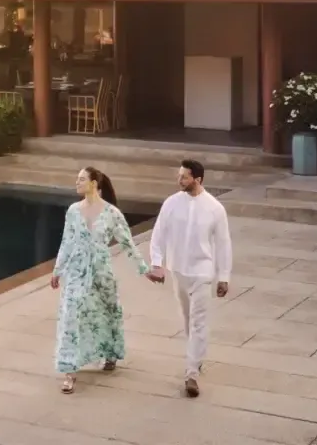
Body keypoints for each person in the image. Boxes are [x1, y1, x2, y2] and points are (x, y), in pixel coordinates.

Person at [51, 166, 148, 394]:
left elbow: (127, 243)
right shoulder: (73, 211)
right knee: (71, 316)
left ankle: (110, 352)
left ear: (94, 183)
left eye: (82, 179)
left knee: (105, 312)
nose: (77, 182)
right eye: (77, 179)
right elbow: (66, 242)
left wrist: (144, 269)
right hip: (76, 272)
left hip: (101, 272)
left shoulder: (112, 213)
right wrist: (57, 270)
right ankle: (69, 370)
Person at [148, 158, 233, 398]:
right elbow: (159, 234)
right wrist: (157, 263)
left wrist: (223, 276)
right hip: (179, 271)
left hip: (203, 273)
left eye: (184, 177)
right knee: (187, 320)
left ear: (198, 179)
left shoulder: (215, 208)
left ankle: (191, 373)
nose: (179, 180)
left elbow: (224, 244)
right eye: (179, 176)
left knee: (198, 322)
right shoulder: (172, 203)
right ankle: (196, 356)